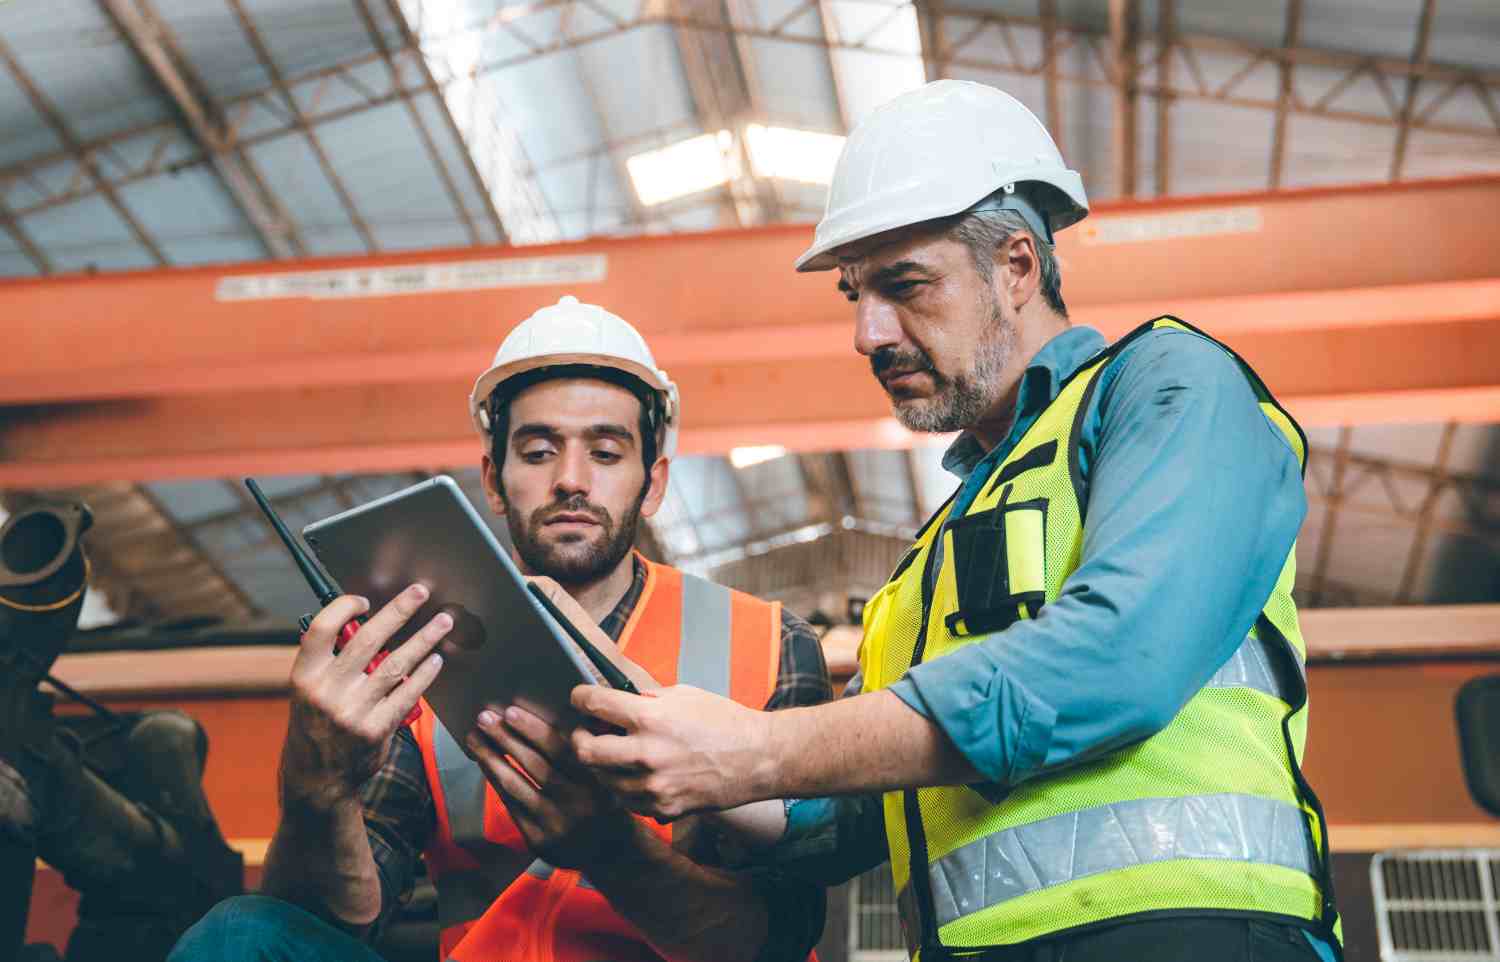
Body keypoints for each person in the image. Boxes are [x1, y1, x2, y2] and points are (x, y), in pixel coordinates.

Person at [570, 80, 1343, 962]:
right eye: (855, 294)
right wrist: (686, 763)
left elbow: (1117, 656)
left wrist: (760, 749)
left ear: (1017, 266)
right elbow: (873, 802)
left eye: (903, 285)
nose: (868, 333)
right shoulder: (924, 563)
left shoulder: (1168, 387)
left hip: (1197, 940)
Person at [171, 296, 832, 962]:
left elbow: (781, 936)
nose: (571, 481)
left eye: (605, 452)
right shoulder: (414, 657)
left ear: (652, 483)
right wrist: (317, 787)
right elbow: (334, 923)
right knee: (242, 935)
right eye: (539, 451)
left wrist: (613, 854)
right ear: (493, 479)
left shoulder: (771, 645)